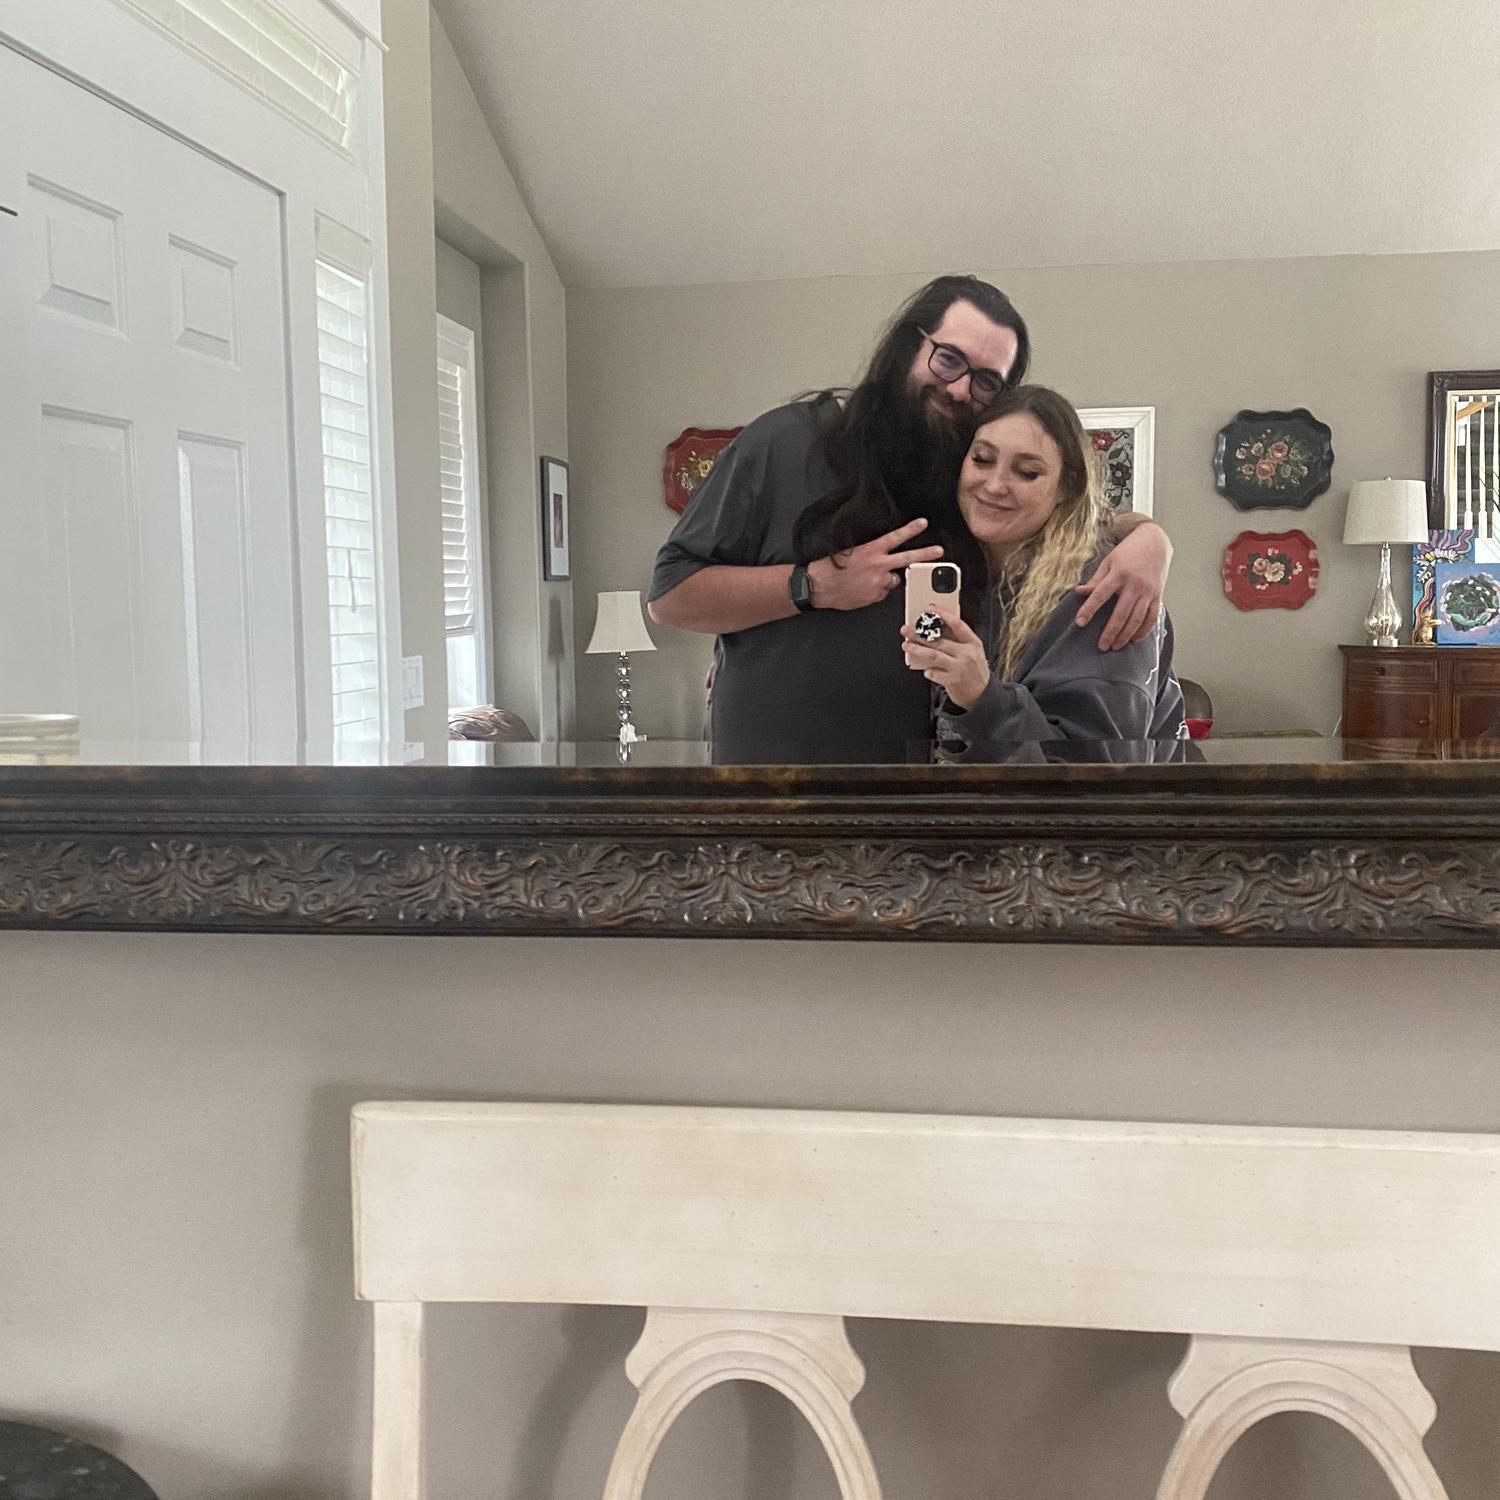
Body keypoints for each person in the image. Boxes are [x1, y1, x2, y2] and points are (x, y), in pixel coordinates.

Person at [647, 274, 1173, 763]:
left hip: (918, 799)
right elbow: (670, 596)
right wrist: (813, 585)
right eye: (949, 359)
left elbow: (1059, 513)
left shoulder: (956, 466)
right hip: (773, 786)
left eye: (987, 381)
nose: (961, 388)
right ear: (907, 345)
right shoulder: (784, 441)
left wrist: (1149, 540)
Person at [900, 385, 1184, 750]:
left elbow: (1098, 770)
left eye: (1027, 472)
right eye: (982, 460)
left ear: (1067, 486)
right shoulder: (955, 565)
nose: (995, 485)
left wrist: (983, 697)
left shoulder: (1103, 590)